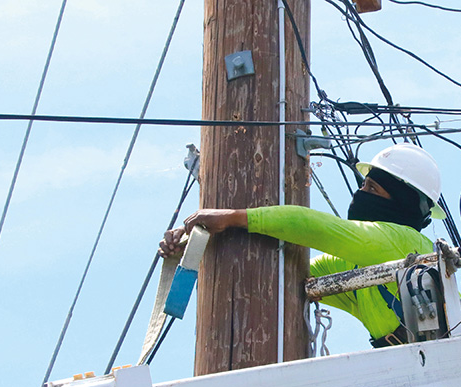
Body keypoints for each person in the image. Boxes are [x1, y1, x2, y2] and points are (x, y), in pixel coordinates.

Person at [159, 143, 445, 347]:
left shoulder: (406, 243)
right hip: (424, 369)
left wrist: (233, 218)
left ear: (400, 203)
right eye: (363, 186)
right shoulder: (358, 264)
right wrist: (199, 244)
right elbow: (281, 272)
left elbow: (315, 227)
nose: (360, 195)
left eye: (371, 189)